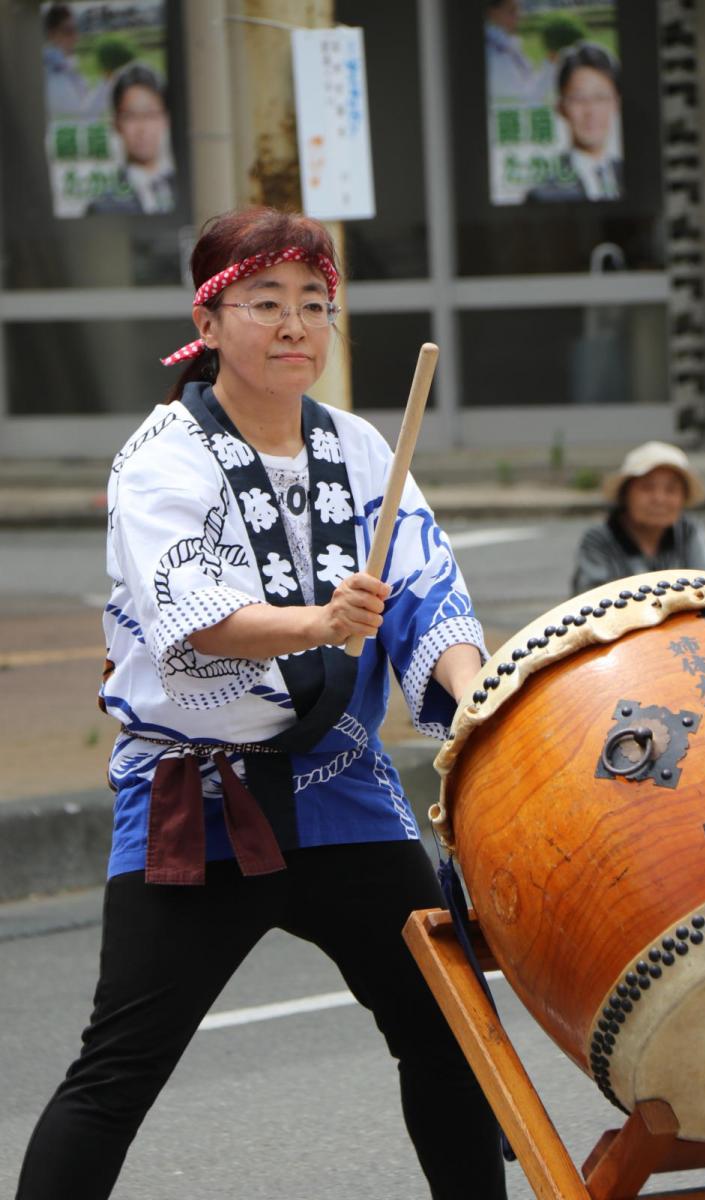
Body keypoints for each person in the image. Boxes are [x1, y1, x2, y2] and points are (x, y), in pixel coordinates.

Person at [15, 208, 506, 1200]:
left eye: (315, 305)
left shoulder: (363, 449)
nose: (295, 327)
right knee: (119, 1072)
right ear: (210, 315)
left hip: (345, 791)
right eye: (266, 303)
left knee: (449, 1039)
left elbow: (424, 593)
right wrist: (320, 622)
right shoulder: (164, 453)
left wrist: (478, 692)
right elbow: (189, 615)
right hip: (202, 798)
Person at [571, 441, 705, 594]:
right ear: (625, 494)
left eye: (671, 490)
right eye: (647, 487)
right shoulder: (599, 539)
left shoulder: (687, 531)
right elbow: (589, 600)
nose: (659, 499)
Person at [528, 41, 623, 201]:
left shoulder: (634, 175)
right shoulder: (544, 194)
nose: (591, 111)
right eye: (579, 99)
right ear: (560, 107)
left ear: (616, 104)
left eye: (600, 98)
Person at [88, 63, 175, 214]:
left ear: (166, 119)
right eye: (131, 116)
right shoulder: (102, 206)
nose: (142, 128)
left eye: (151, 115)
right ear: (116, 123)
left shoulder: (188, 190)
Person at [42, 3, 90, 117]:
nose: (75, 37)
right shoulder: (52, 70)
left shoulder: (67, 63)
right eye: (68, 31)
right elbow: (77, 111)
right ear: (51, 34)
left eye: (76, 29)